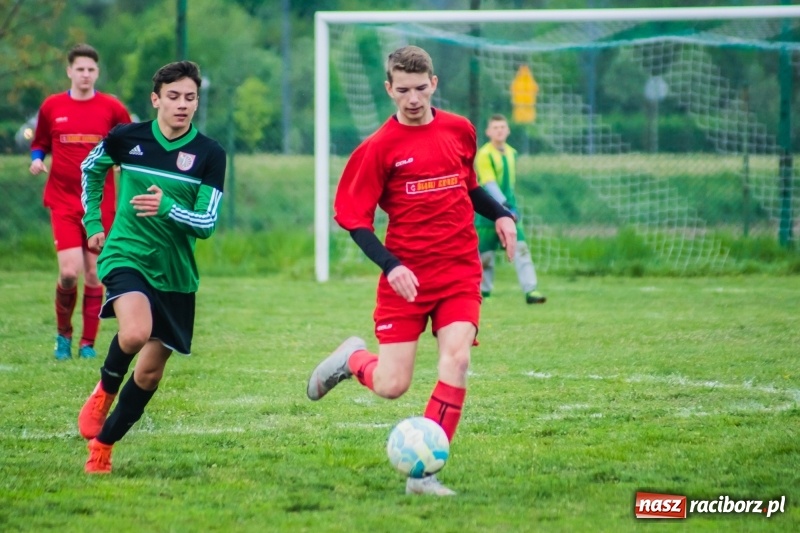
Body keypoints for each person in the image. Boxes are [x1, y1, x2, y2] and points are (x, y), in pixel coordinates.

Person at [306, 46, 517, 496]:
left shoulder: (460, 130)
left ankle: (424, 477)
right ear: (389, 89)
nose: (413, 99)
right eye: (403, 90)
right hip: (406, 278)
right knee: (391, 385)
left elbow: (468, 186)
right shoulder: (378, 148)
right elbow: (353, 219)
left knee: (457, 359)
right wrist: (391, 264)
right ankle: (352, 359)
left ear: (434, 83)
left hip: (459, 270)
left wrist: (501, 214)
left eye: (421, 88)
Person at [77, 60, 226, 474]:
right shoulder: (128, 138)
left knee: (148, 376)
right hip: (127, 254)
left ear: (198, 102)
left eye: (190, 98)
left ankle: (104, 445)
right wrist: (93, 222)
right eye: (174, 97)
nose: (182, 105)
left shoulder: (209, 154)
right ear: (155, 98)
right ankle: (105, 389)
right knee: (136, 331)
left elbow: (207, 223)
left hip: (176, 276)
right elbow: (90, 169)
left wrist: (168, 208)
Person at [29, 43, 132, 360]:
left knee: (93, 274)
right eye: (80, 69)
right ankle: (63, 337)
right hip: (63, 201)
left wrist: (121, 161)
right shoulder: (52, 106)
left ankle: (87, 344)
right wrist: (36, 159)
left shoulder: (112, 108)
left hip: (100, 205)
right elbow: (40, 142)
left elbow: (129, 143)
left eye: (91, 70)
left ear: (97, 73)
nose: (86, 75)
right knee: (69, 272)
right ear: (69, 71)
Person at [475, 114, 546, 305]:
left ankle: (531, 291)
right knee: (485, 255)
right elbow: (488, 182)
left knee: (521, 248)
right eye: (495, 127)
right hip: (488, 210)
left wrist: (510, 207)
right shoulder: (484, 154)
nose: (499, 130)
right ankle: (483, 292)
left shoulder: (512, 153)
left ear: (508, 130)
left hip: (510, 210)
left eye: (502, 127)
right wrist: (504, 205)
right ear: (488, 132)